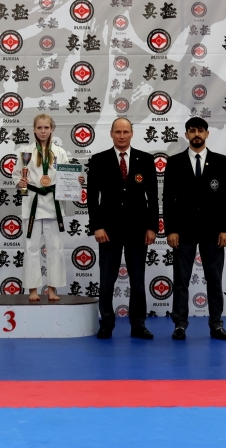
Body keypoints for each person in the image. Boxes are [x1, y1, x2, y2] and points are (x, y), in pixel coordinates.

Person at [87, 117, 158, 339]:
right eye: (117, 132)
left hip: (138, 230)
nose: (121, 136)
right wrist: (97, 226)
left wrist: (152, 227)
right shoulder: (99, 160)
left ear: (132, 134)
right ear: (111, 133)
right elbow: (92, 197)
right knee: (107, 280)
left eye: (125, 132)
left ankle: (138, 324)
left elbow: (153, 197)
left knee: (137, 280)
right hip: (108, 230)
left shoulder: (145, 160)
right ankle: (107, 323)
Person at [163, 117, 226, 340]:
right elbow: (168, 199)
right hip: (183, 231)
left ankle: (216, 324)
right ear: (186, 135)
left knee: (214, 280)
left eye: (200, 130)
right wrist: (171, 230)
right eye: (192, 130)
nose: (196, 134)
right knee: (181, 280)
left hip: (213, 232)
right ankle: (180, 324)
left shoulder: (221, 162)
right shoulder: (175, 162)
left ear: (207, 134)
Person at [12, 114, 68, 302]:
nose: (43, 131)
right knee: (31, 248)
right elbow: (16, 175)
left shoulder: (60, 152)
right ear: (34, 129)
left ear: (52, 129)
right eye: (39, 128)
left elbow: (66, 176)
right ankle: (33, 289)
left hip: (53, 204)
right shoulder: (25, 152)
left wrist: (73, 181)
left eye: (46, 128)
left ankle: (52, 289)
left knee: (55, 248)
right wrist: (20, 183)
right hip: (33, 203)